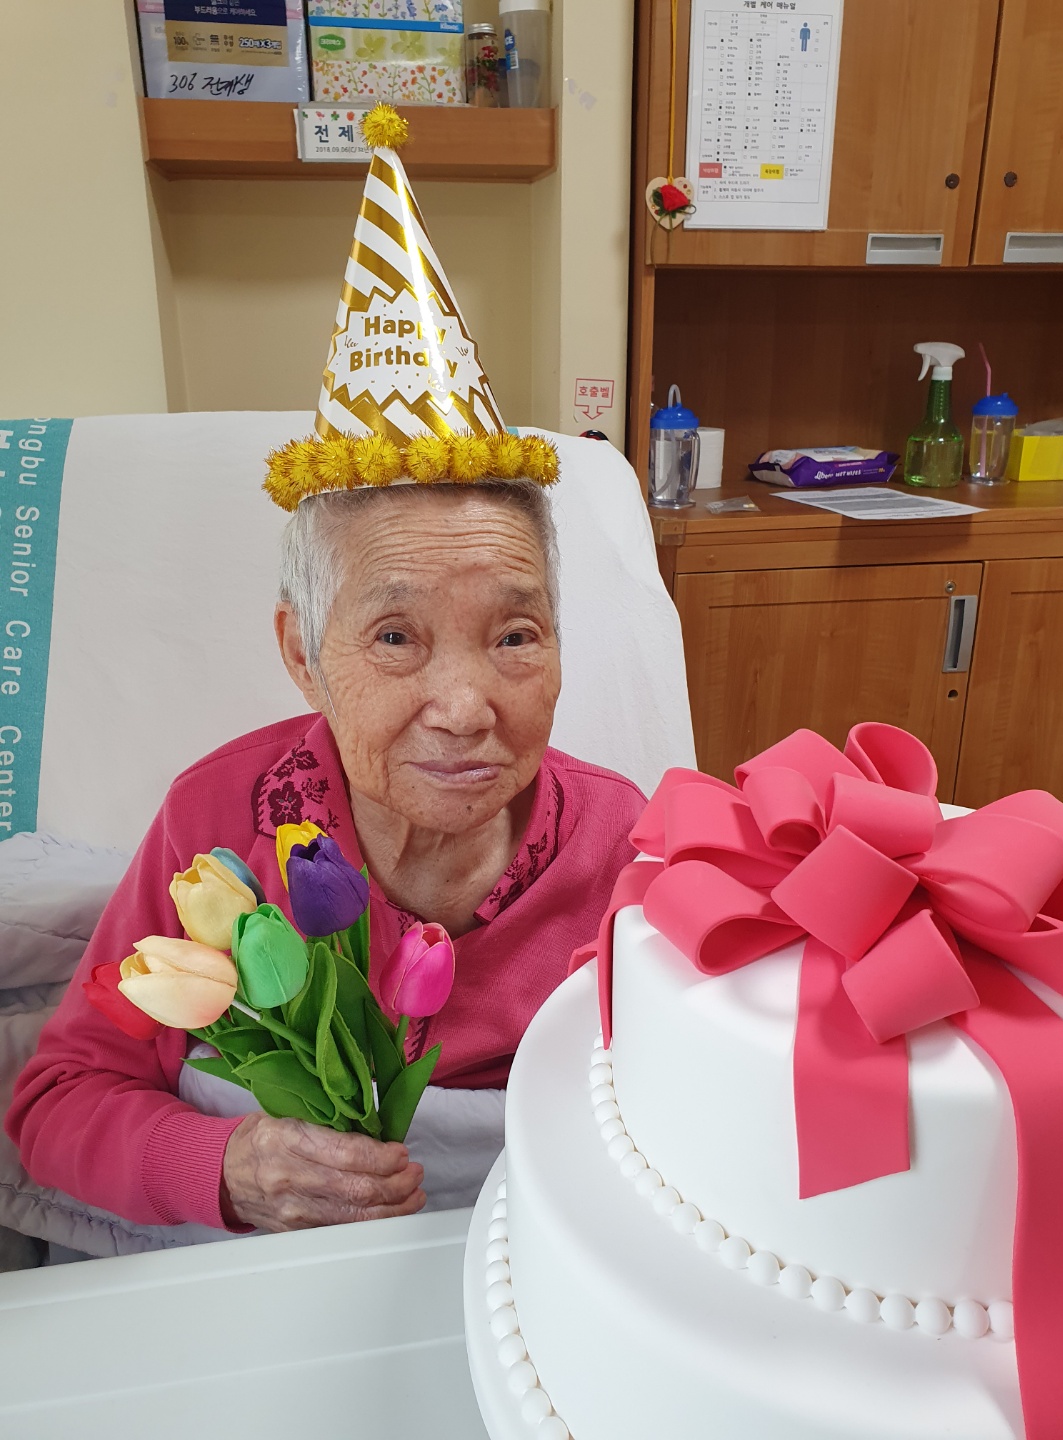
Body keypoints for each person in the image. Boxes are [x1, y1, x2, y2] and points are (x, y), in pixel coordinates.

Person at [6, 105, 645, 1239]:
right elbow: (58, 1098)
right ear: (302, 653)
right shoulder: (217, 828)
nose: (466, 709)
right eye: (395, 638)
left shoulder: (624, 843)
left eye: (515, 636)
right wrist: (230, 1165)